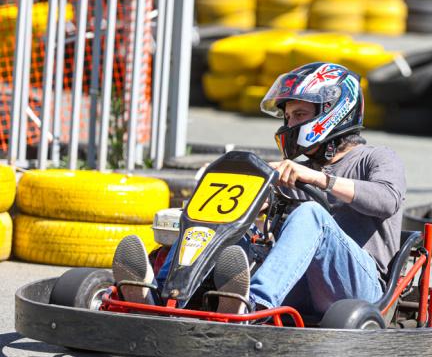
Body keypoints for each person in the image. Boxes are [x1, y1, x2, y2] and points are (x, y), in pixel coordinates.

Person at [112, 62, 406, 317]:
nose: (290, 124)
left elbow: (386, 200)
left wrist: (321, 179)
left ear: (334, 112)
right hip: (299, 284)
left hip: (362, 291)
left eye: (299, 115)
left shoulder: (376, 157)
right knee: (227, 226)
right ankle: (164, 295)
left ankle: (253, 303)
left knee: (311, 214)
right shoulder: (297, 171)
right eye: (288, 117)